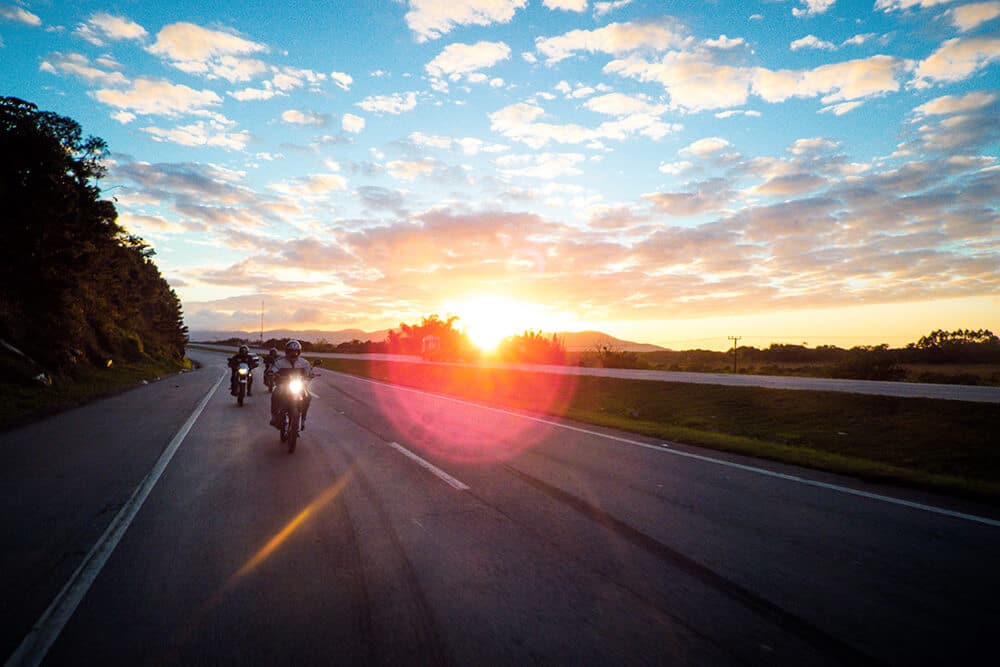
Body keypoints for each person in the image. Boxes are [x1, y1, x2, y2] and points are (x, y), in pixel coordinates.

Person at [269, 340, 313, 430]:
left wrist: (310, 375)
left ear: (299, 352)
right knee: (275, 393)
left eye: (296, 351)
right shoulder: (280, 362)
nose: (293, 353)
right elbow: (272, 369)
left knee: (308, 397)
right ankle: (274, 416)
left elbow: (309, 372)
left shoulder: (304, 363)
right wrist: (271, 372)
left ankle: (303, 419)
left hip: (298, 385)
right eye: (291, 351)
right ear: (287, 351)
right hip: (283, 385)